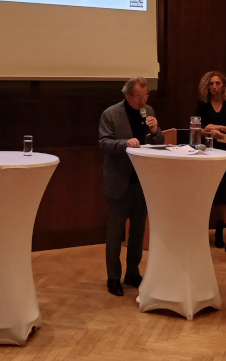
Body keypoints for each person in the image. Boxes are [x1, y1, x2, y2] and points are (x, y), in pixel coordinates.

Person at [99, 77, 163, 296]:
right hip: (120, 181)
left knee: (138, 230)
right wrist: (124, 143)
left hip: (142, 181)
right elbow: (104, 143)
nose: (143, 100)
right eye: (139, 96)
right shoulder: (110, 114)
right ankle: (113, 277)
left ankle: (133, 273)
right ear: (127, 95)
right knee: (115, 232)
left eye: (146, 96)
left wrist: (155, 131)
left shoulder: (149, 111)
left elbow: (157, 143)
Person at [196, 70, 226, 252]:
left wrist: (220, 128)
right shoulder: (203, 105)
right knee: (213, 193)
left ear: (224, 86)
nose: (214, 87)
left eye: (218, 83)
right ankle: (219, 230)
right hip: (209, 152)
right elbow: (196, 130)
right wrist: (209, 132)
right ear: (207, 86)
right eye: (211, 84)